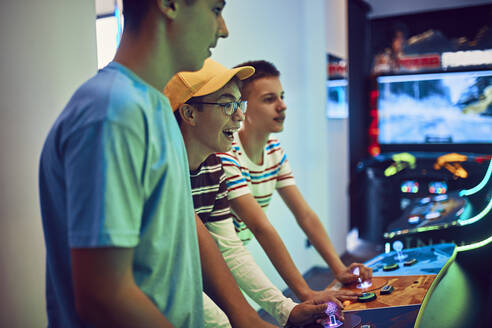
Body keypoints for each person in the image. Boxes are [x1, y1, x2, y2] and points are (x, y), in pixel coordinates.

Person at [39, 1, 272, 327]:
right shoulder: (113, 112)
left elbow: (185, 221)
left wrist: (244, 315)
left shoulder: (156, 108)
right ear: (170, 5)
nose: (223, 29)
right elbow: (103, 296)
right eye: (215, 9)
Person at [165, 58, 351, 327]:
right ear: (189, 114)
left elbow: (230, 248)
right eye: (227, 104)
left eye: (238, 104)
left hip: (203, 268)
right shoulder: (174, 167)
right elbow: (259, 227)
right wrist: (297, 297)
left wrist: (285, 308)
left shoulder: (214, 165)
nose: (238, 115)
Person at [217, 60, 373, 302]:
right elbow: (259, 226)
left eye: (282, 96)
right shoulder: (227, 152)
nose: (282, 106)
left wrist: (339, 269)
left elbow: (305, 216)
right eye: (269, 99)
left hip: (232, 258)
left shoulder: (274, 149)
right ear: (243, 108)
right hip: (209, 262)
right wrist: (305, 292)